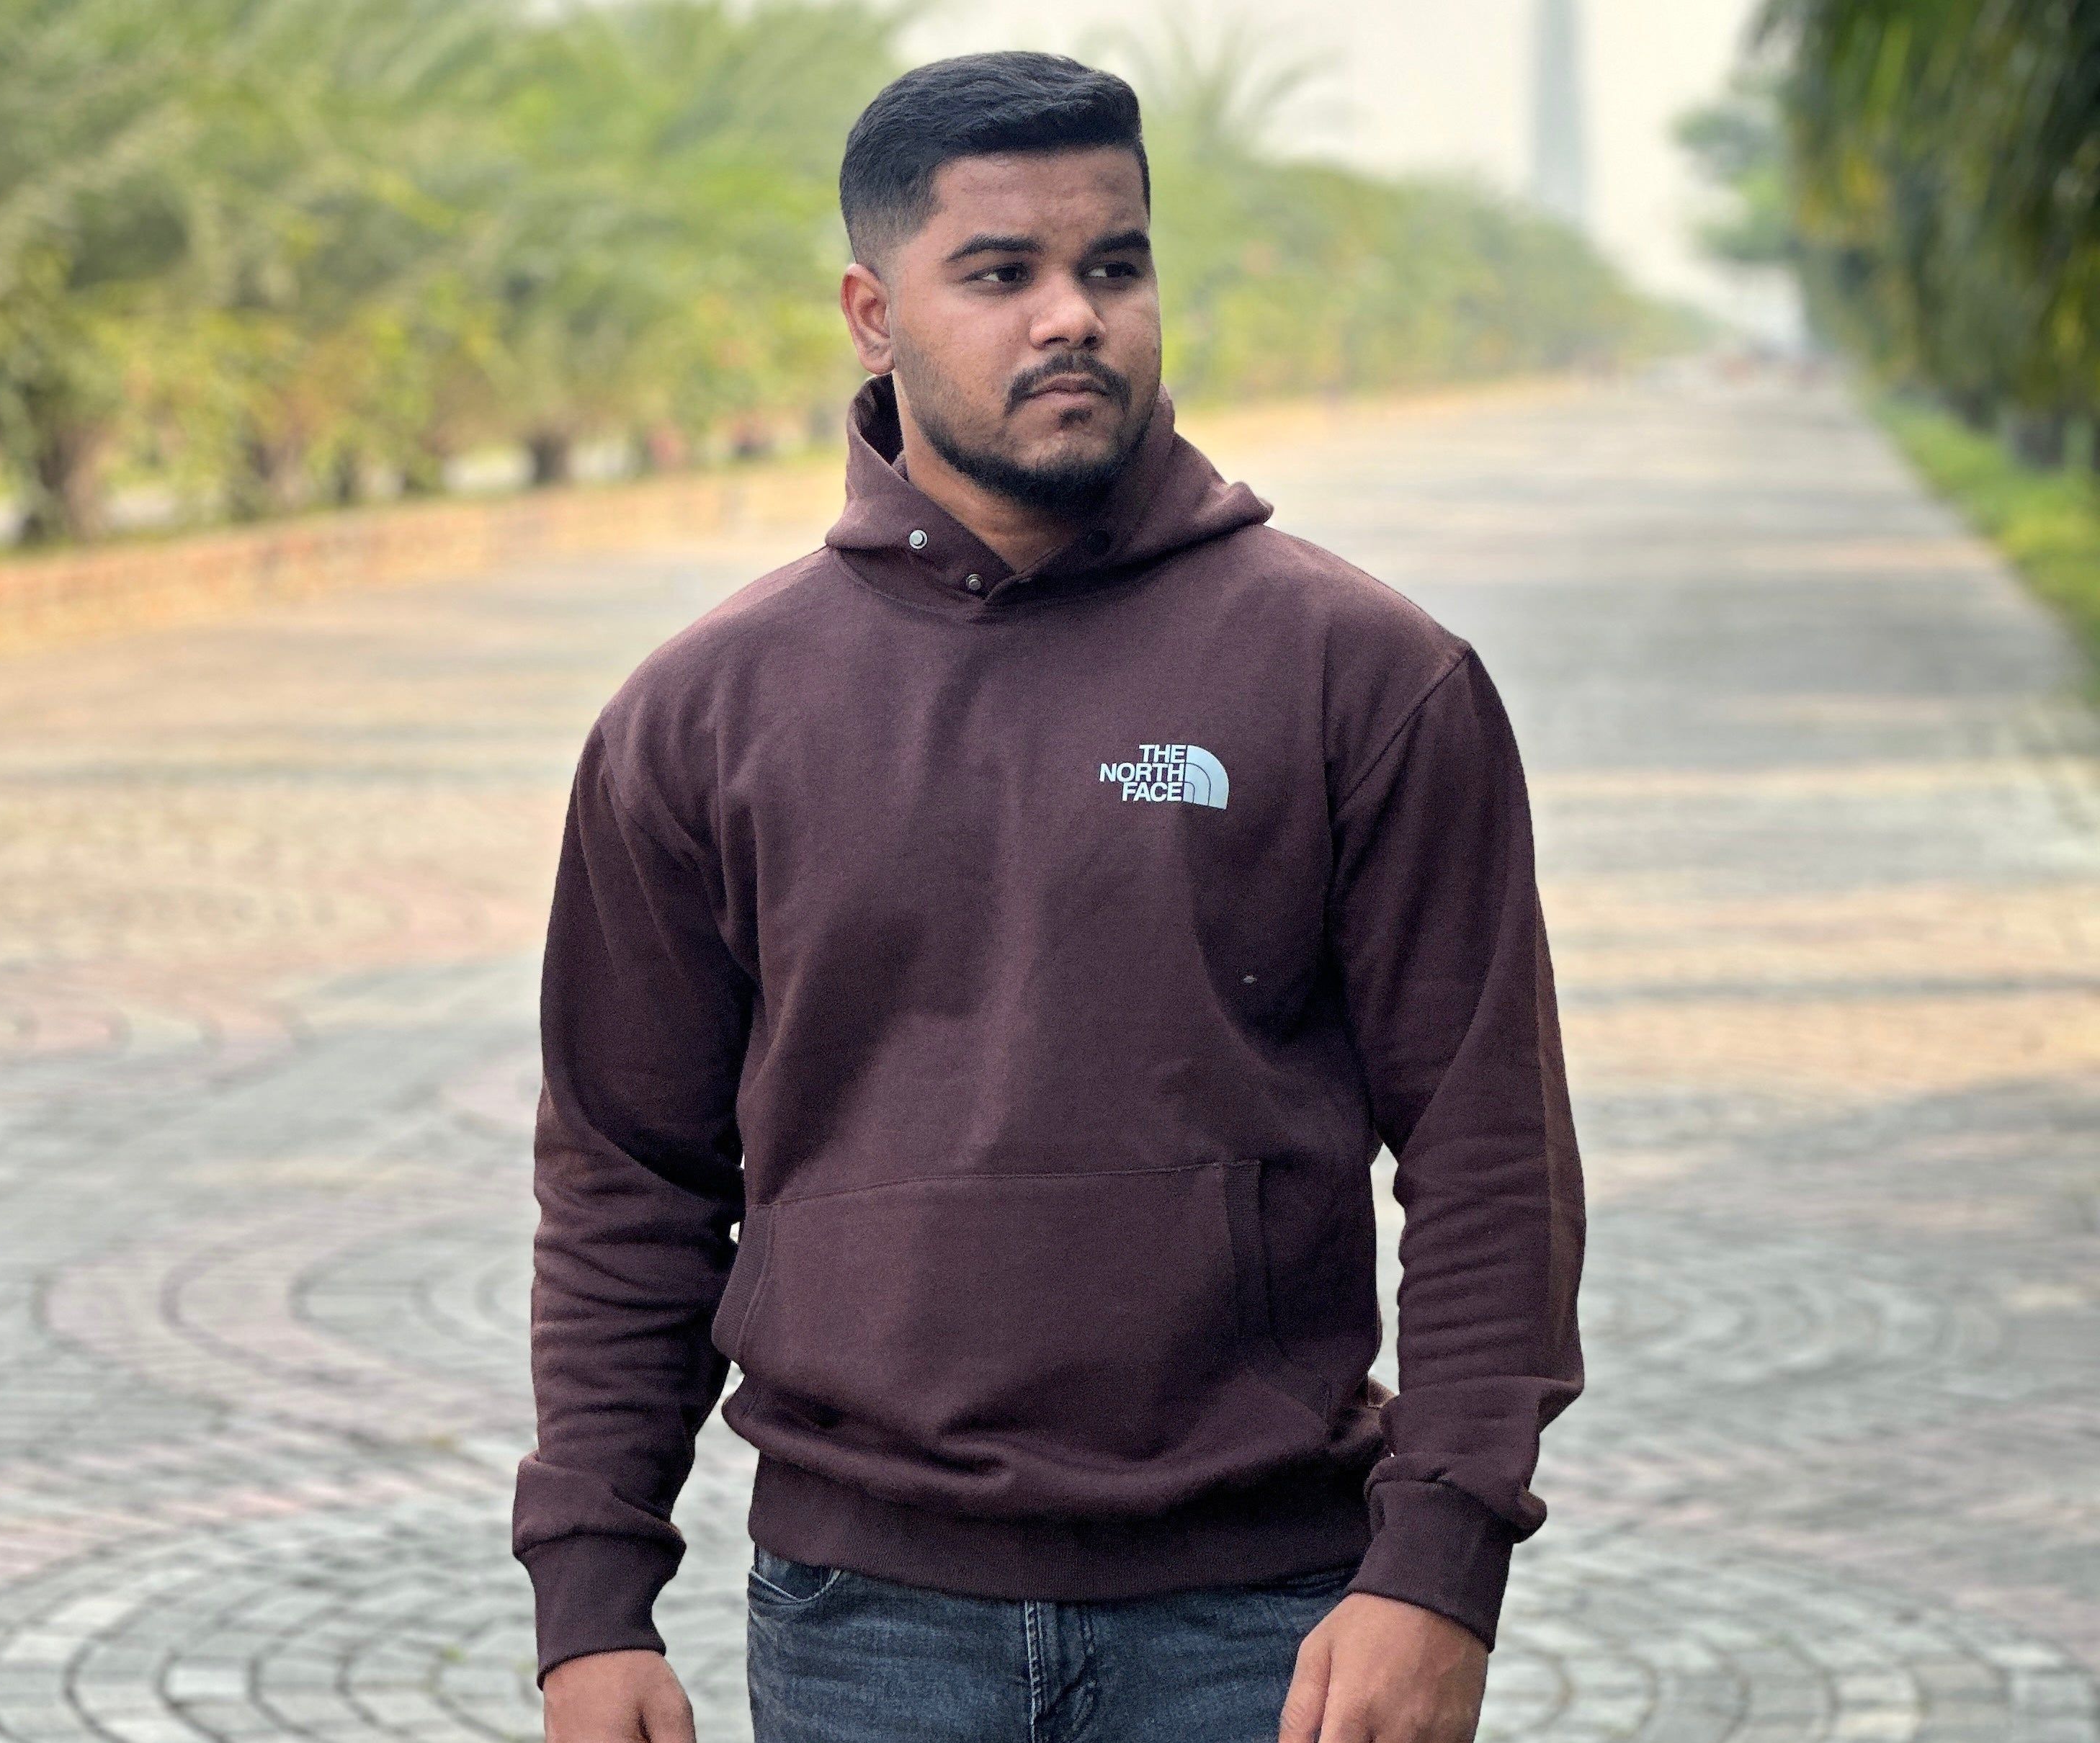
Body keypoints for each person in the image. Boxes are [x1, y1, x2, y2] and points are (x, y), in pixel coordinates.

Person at [514, 50, 1584, 1743]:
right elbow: (630, 1175)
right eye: (1001, 274)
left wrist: (1439, 1567)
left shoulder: (1363, 675)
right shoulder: (705, 712)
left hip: (1271, 1622)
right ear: (874, 312)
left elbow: (1486, 1148)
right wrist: (591, 1599)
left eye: (1116, 264)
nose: (1071, 316)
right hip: (863, 1627)